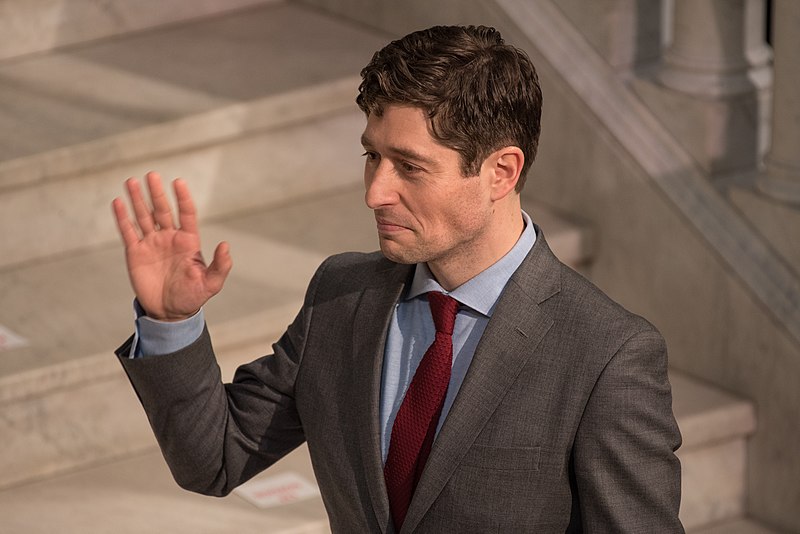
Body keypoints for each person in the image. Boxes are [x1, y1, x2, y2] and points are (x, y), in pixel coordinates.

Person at [112, 25, 683, 533]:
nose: (375, 192)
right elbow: (214, 459)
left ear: (501, 171)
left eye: (409, 166)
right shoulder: (342, 294)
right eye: (372, 157)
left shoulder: (607, 354)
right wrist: (171, 322)